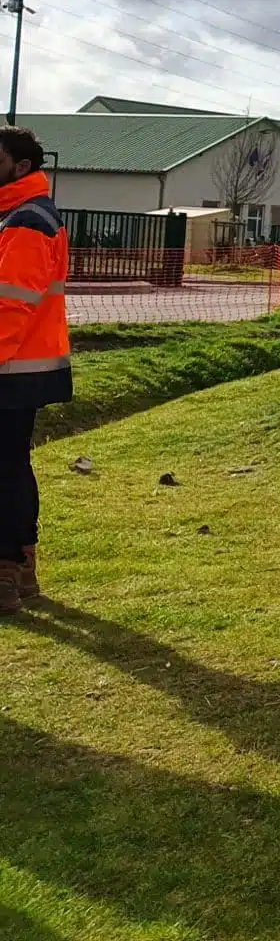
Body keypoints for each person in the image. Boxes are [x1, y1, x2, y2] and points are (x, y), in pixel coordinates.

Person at [0, 127, 69, 616]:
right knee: (12, 466)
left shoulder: (25, 220)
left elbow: (10, 305)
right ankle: (21, 570)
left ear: (20, 166)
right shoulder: (28, 213)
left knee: (4, 470)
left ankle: (6, 575)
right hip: (25, 366)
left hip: (10, 366)